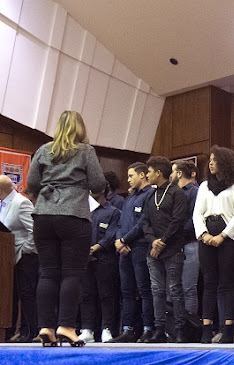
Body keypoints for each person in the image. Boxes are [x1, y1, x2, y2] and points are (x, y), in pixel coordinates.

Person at [26, 110, 106, 347]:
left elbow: (32, 184)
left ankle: (46, 328)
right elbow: (99, 184)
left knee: (48, 272)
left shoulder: (42, 150)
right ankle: (67, 326)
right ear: (80, 129)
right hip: (73, 215)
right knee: (72, 273)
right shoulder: (85, 151)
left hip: (43, 215)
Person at [193, 146, 234, 343]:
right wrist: (204, 235)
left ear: (225, 163)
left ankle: (227, 329)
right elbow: (197, 213)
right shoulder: (204, 186)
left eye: (215, 160)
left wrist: (222, 236)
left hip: (229, 238)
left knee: (228, 285)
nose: (211, 163)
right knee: (209, 284)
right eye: (210, 160)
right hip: (207, 235)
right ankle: (206, 329)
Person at [141, 156, 189, 343]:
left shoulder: (177, 193)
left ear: (159, 173)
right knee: (157, 291)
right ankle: (159, 330)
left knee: (175, 289)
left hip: (173, 249)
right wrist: (153, 241)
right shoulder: (150, 195)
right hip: (153, 252)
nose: (147, 174)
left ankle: (180, 331)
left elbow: (178, 221)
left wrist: (162, 242)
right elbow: (144, 222)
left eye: (150, 171)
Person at [109, 162, 155, 343]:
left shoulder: (150, 194)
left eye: (130, 176)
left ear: (142, 175)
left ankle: (148, 328)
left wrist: (124, 240)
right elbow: (121, 223)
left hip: (141, 246)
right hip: (125, 250)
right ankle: (127, 329)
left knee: (144, 290)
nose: (128, 180)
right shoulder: (129, 198)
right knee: (126, 290)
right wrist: (120, 240)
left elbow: (143, 223)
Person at [78, 185, 120, 343]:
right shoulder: (84, 210)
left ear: (102, 189)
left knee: (106, 295)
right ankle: (87, 329)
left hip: (105, 258)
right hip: (84, 259)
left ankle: (107, 328)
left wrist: (94, 248)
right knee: (86, 295)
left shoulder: (113, 212)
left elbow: (111, 234)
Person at [0, 175, 38, 343]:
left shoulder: (21, 203)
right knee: (10, 296)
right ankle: (10, 332)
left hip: (24, 258)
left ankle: (31, 331)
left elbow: (34, 231)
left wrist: (24, 251)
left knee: (26, 295)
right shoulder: (3, 203)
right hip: (7, 261)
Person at [171, 160, 200, 319]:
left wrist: (174, 233)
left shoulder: (194, 192)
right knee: (174, 289)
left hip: (190, 243)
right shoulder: (174, 193)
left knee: (189, 288)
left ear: (180, 173)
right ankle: (176, 326)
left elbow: (194, 220)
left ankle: (189, 327)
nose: (171, 175)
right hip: (175, 246)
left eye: (173, 171)